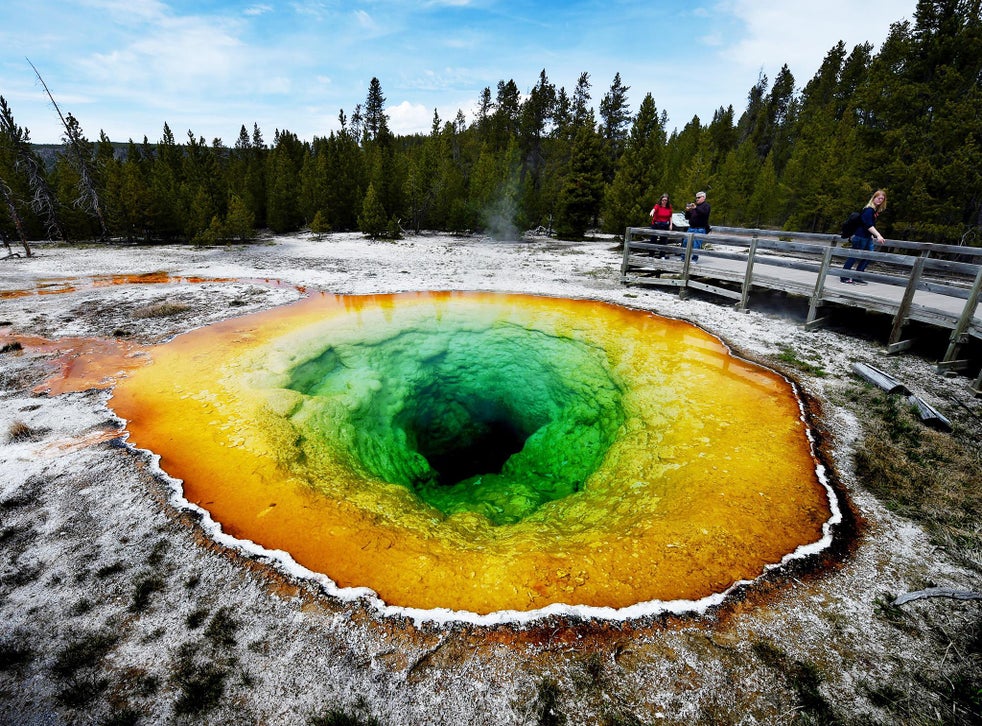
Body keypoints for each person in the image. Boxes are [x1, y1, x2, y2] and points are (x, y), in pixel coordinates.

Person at [841, 189, 887, 284]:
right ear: (873, 198)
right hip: (860, 236)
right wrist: (878, 235)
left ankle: (858, 276)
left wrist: (871, 235)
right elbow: (868, 225)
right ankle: (844, 277)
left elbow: (867, 225)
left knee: (868, 256)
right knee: (854, 256)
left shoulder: (874, 210)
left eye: (882, 199)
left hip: (866, 236)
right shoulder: (868, 210)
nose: (880, 200)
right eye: (878, 198)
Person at [683, 190, 710, 261]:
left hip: (700, 229)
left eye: (699, 197)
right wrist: (688, 211)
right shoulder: (694, 206)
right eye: (696, 198)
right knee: (685, 243)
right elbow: (687, 217)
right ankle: (683, 258)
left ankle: (694, 259)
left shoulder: (706, 206)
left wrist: (696, 208)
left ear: (703, 198)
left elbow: (704, 214)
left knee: (696, 245)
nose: (697, 199)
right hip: (691, 228)